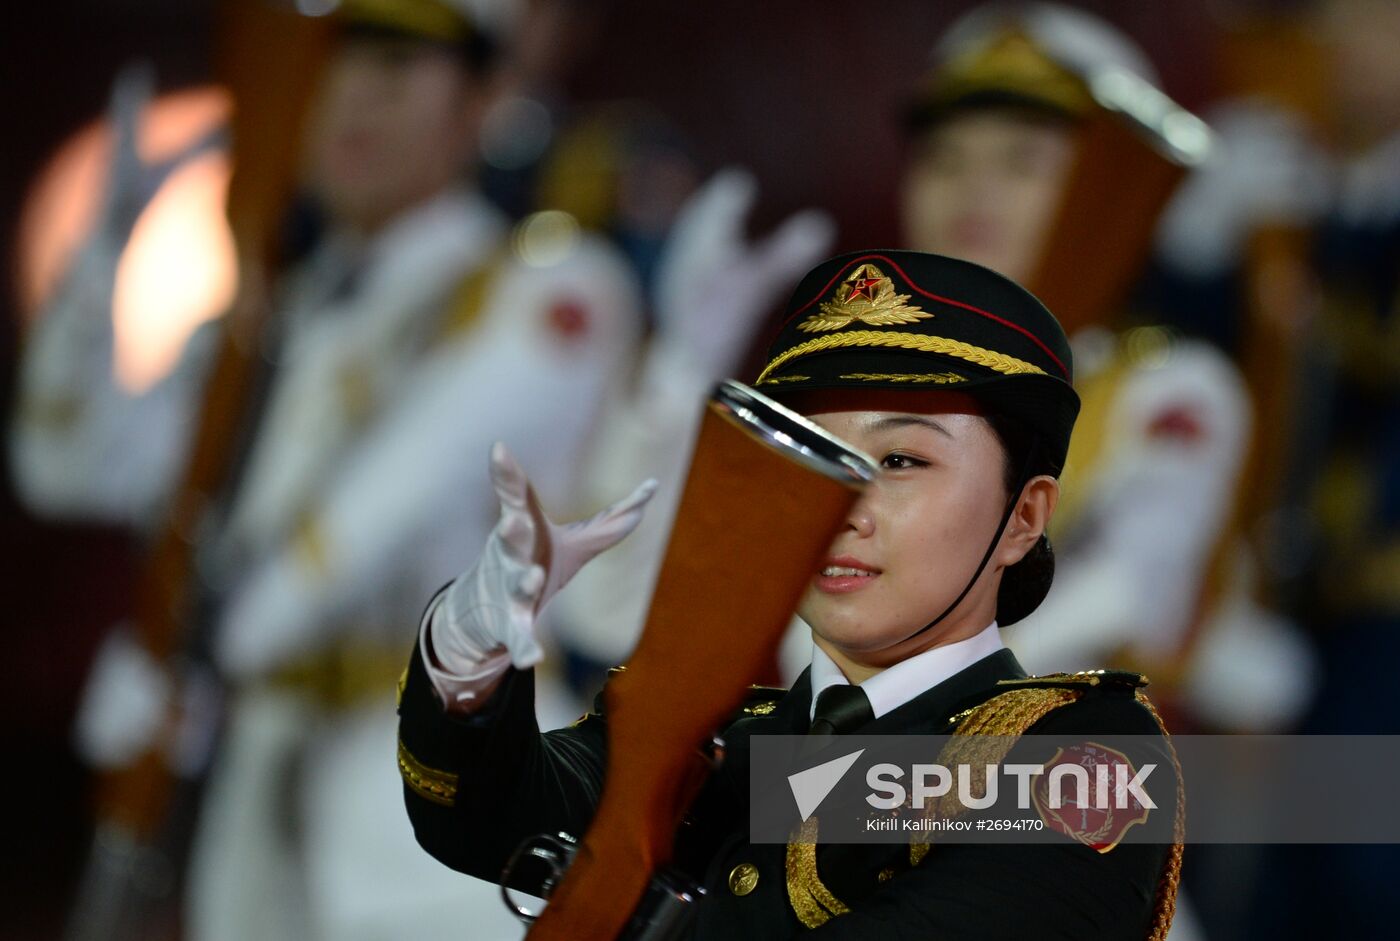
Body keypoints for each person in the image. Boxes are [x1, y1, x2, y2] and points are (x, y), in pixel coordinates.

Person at [9, 1, 641, 938]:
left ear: (479, 101)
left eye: (395, 69)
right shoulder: (272, 321)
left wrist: (189, 654)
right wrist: (95, 273)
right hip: (261, 781)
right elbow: (69, 469)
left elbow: (389, 494)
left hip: (442, 800)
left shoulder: (541, 289)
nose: (353, 102)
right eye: (329, 69)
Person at [398, 249, 1183, 939]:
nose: (842, 508)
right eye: (819, 460)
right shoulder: (723, 731)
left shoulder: (1081, 755)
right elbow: (481, 818)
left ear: (1024, 515)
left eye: (903, 460)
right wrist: (472, 644)